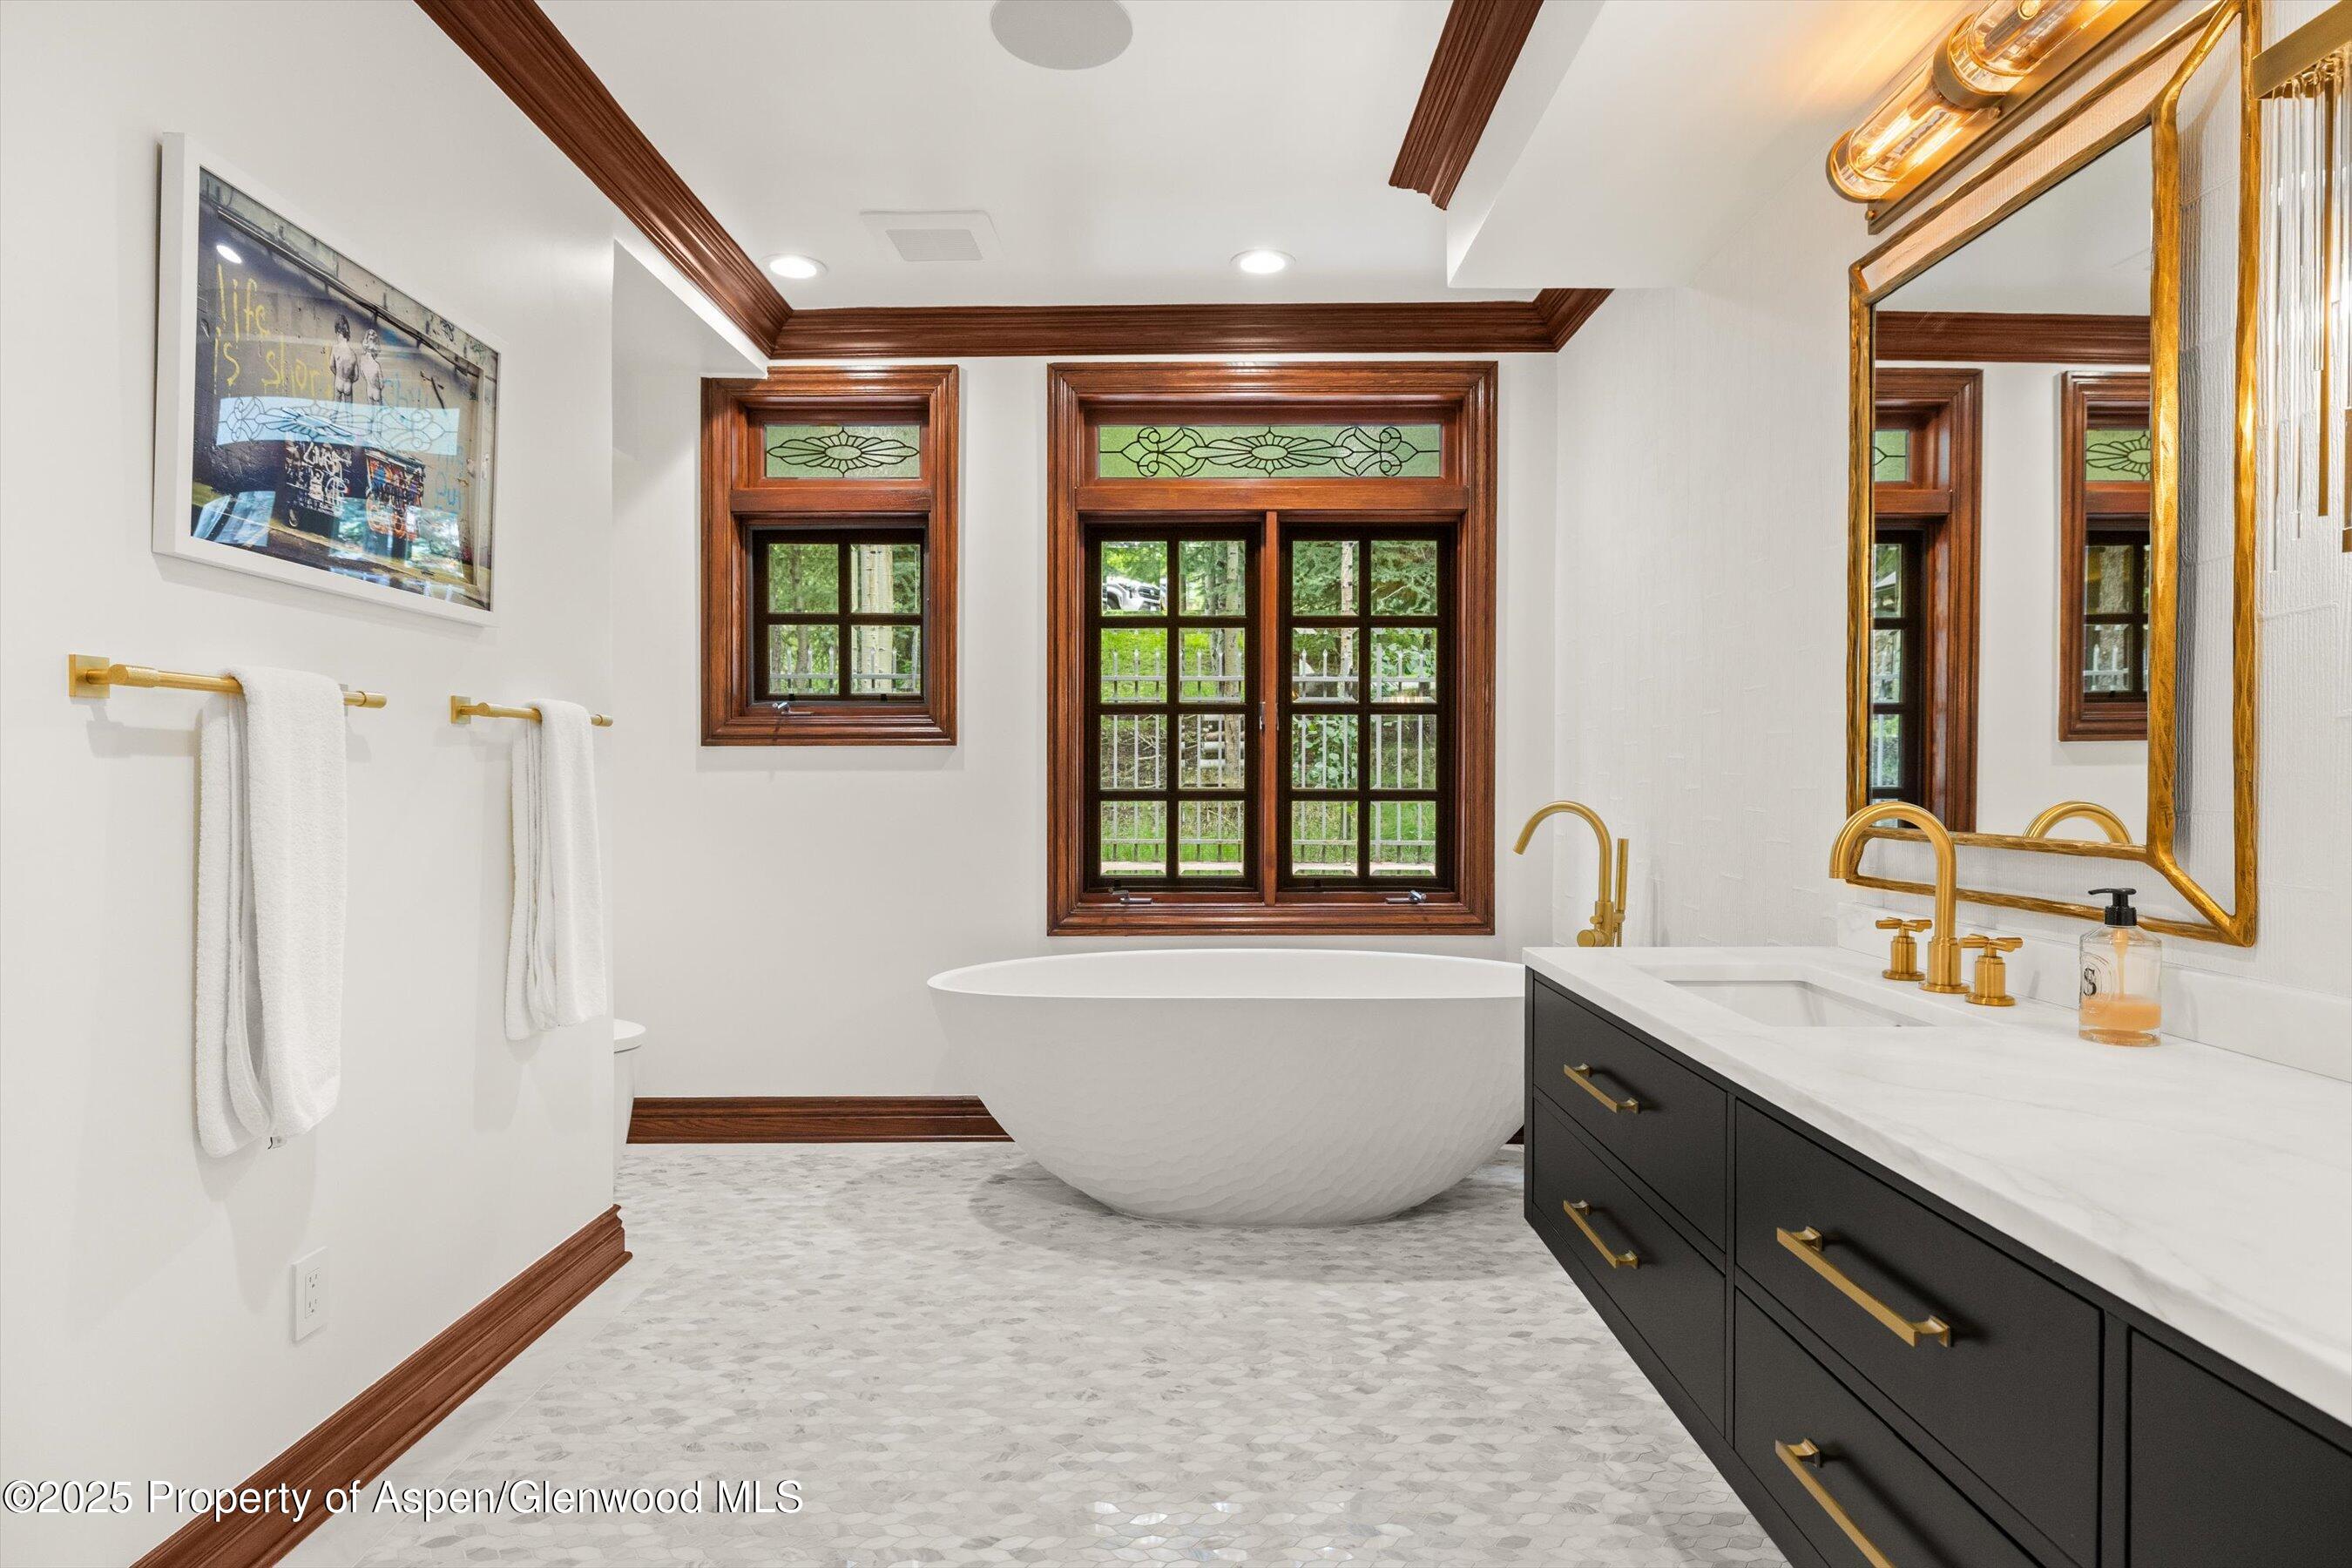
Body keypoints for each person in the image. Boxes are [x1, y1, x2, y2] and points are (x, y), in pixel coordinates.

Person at [329, 315, 357, 403]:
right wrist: (349, 379)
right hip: (348, 384)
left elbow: (331, 365)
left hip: (339, 381)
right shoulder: (353, 354)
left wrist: (338, 374)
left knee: (335, 409)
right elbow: (356, 376)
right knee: (349, 411)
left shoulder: (335, 348)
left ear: (337, 332)